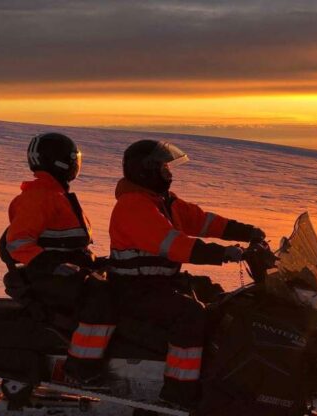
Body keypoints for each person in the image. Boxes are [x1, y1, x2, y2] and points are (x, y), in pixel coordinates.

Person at [107, 139, 265, 409]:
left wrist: (246, 231)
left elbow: (201, 220)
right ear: (145, 170)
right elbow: (175, 245)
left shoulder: (162, 201)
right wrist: (224, 254)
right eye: (163, 167)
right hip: (133, 289)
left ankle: (217, 374)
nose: (169, 173)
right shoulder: (134, 206)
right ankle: (178, 392)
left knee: (220, 299)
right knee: (190, 314)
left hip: (158, 283)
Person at [0, 132, 117, 384]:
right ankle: (82, 368)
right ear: (59, 161)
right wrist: (54, 266)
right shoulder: (39, 197)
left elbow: (69, 244)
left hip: (65, 271)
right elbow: (17, 242)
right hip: (46, 276)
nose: (76, 163)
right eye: (73, 158)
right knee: (100, 297)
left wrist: (99, 262)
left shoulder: (57, 194)